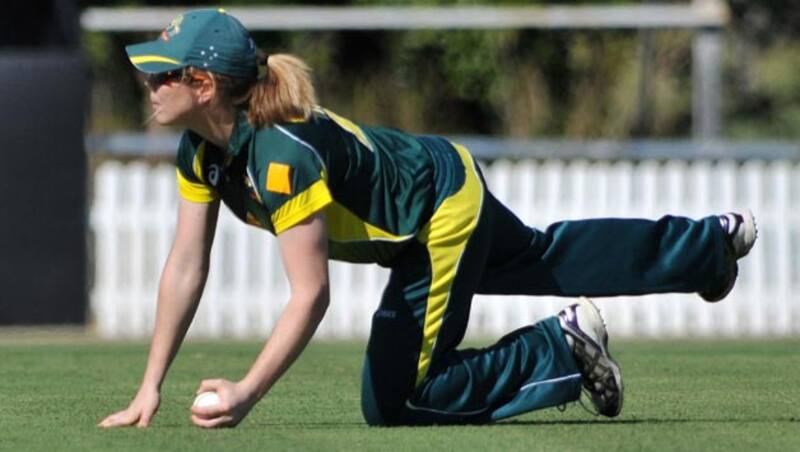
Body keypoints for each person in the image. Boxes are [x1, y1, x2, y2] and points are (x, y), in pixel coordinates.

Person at [98, 9, 757, 429]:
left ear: (204, 86)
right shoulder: (203, 152)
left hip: (435, 216)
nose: (150, 86)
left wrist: (245, 393)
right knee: (548, 258)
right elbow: (187, 264)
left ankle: (558, 346)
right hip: (441, 178)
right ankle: (711, 247)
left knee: (395, 401)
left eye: (162, 76)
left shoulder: (280, 156)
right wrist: (149, 386)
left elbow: (310, 294)